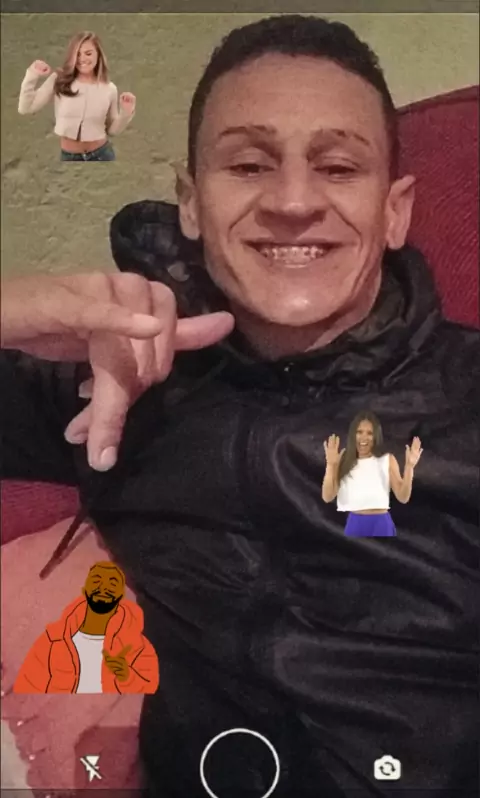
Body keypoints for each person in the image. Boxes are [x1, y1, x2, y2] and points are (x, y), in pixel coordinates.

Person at [2, 14, 479, 798]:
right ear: (191, 203)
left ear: (395, 211)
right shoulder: (119, 383)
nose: (292, 201)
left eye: (337, 167)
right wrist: (18, 310)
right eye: (250, 164)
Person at [13, 561, 159, 695]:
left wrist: (127, 676)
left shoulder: (137, 646)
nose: (103, 589)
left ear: (121, 596)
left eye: (112, 584)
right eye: (96, 582)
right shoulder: (53, 640)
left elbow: (156, 688)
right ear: (85, 590)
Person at [18, 30, 135, 161]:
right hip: (69, 157)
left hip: (102, 155)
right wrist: (33, 75)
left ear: (98, 55)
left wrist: (125, 113)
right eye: (77, 54)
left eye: (88, 53)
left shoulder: (109, 89)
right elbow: (26, 108)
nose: (82, 59)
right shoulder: (59, 80)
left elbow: (112, 131)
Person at [322, 411, 423, 537]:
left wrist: (409, 467)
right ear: (353, 434)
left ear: (376, 436)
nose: (364, 437)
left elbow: (403, 497)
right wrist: (330, 465)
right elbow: (327, 496)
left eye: (369, 433)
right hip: (355, 523)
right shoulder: (344, 460)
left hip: (381, 523)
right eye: (359, 432)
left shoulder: (387, 460)